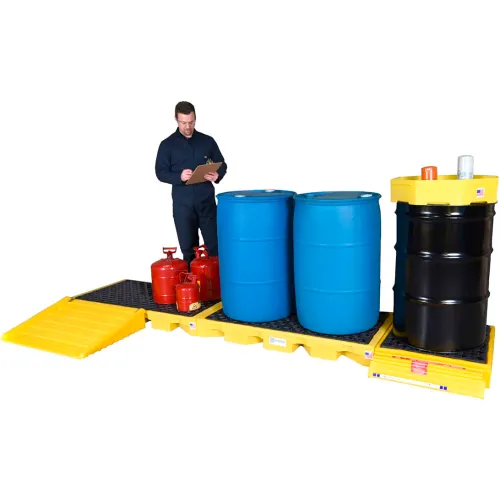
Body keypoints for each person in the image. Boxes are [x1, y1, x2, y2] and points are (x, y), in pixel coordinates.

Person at [155, 101, 227, 265]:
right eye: (183, 123)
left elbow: (222, 164)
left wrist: (217, 174)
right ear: (176, 119)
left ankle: (217, 281)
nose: (188, 126)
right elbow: (160, 172)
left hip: (206, 203)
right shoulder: (167, 145)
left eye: (191, 122)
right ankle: (192, 281)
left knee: (215, 247)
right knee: (188, 250)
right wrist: (179, 176)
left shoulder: (207, 141)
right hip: (183, 205)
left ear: (195, 119)